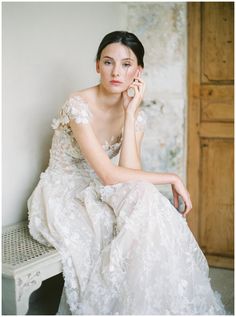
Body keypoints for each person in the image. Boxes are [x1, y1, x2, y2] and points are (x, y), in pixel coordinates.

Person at [28, 31, 226, 315]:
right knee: (122, 222)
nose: (116, 72)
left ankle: (150, 305)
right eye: (108, 63)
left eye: (126, 64)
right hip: (63, 193)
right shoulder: (78, 105)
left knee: (145, 202)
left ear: (138, 72)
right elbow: (110, 175)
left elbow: (131, 173)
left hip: (99, 187)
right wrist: (172, 177)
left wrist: (131, 113)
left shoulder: (135, 114)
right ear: (97, 65)